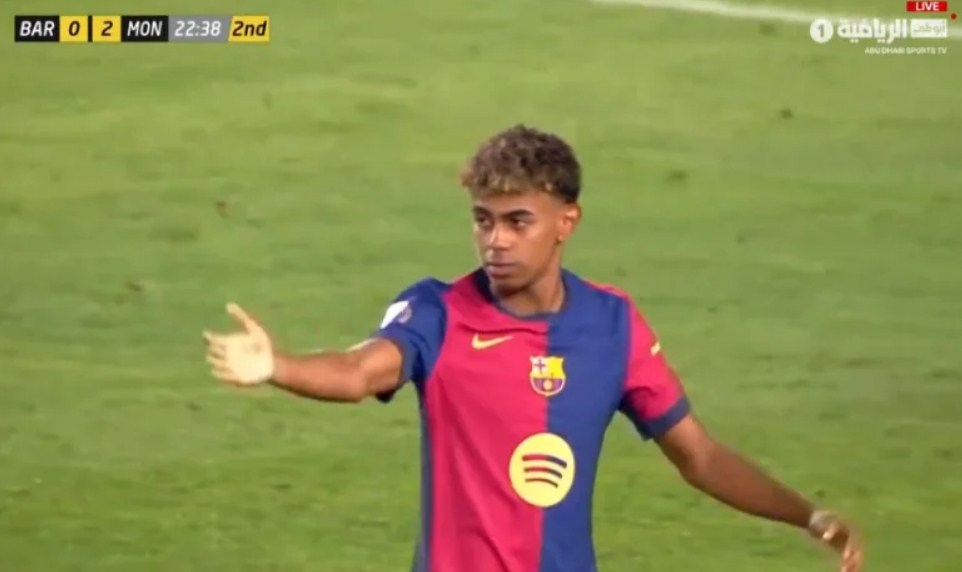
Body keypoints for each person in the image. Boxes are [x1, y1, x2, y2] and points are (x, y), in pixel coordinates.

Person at [203, 124, 864, 572]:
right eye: (483, 220)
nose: (496, 241)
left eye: (518, 221)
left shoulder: (613, 325)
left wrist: (808, 515)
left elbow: (700, 455)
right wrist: (277, 366)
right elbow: (359, 369)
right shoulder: (437, 311)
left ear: (565, 222)